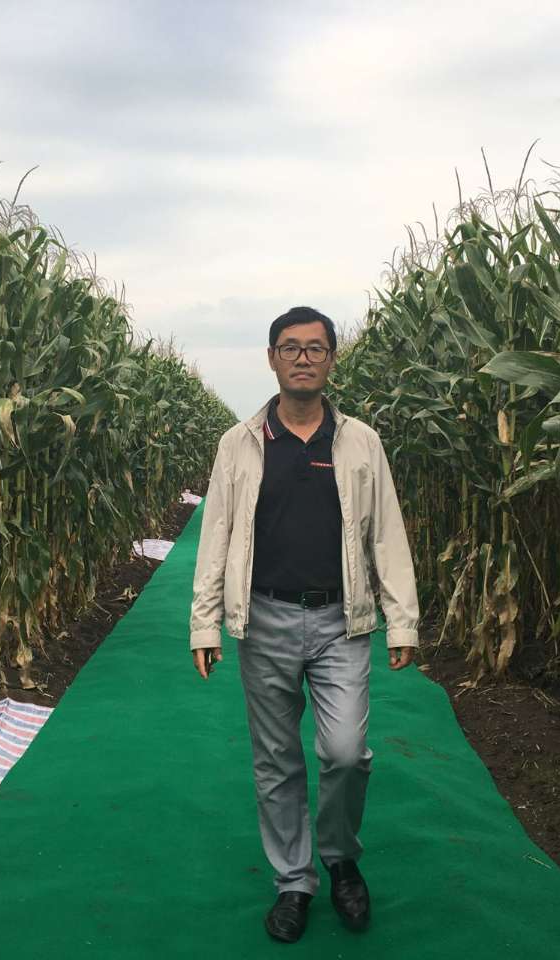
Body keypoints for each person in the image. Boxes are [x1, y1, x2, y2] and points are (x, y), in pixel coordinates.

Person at [188, 306, 420, 944]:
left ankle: (340, 857)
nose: (303, 359)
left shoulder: (360, 442)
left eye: (316, 348)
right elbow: (216, 537)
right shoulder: (239, 444)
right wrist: (205, 623)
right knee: (277, 759)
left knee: (346, 752)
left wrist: (402, 620)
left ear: (331, 359)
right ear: (272, 359)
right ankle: (294, 880)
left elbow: (387, 533)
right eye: (290, 348)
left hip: (342, 620)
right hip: (264, 617)